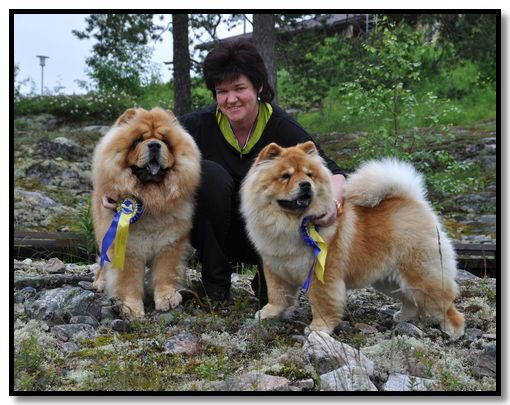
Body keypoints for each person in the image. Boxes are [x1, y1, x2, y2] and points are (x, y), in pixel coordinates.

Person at [103, 38, 346, 307]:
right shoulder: (196, 125)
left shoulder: (282, 128)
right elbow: (133, 150)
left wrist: (333, 204)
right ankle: (215, 287)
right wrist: (111, 191)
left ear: (259, 86)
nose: (231, 99)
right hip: (214, 233)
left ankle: (272, 282)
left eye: (239, 88)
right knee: (208, 174)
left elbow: (333, 171)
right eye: (222, 91)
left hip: (269, 233)